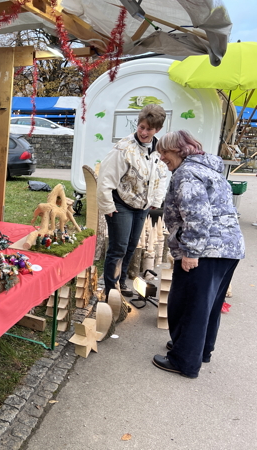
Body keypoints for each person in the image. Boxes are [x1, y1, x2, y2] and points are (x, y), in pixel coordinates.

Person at [152, 130, 244, 378]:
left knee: (189, 304)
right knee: (209, 305)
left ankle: (184, 361)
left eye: (165, 152)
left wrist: (191, 252)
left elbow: (197, 216)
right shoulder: (210, 169)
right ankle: (198, 350)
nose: (161, 157)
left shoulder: (187, 174)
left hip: (205, 251)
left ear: (179, 150)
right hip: (228, 248)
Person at [97, 104, 169, 298]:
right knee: (118, 247)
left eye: (149, 129)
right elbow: (105, 178)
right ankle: (111, 290)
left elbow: (162, 175)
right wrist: (107, 206)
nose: (144, 132)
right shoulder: (124, 148)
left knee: (131, 246)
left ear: (158, 130)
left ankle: (121, 282)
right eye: (141, 127)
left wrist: (156, 199)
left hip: (142, 206)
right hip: (121, 204)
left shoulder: (159, 149)